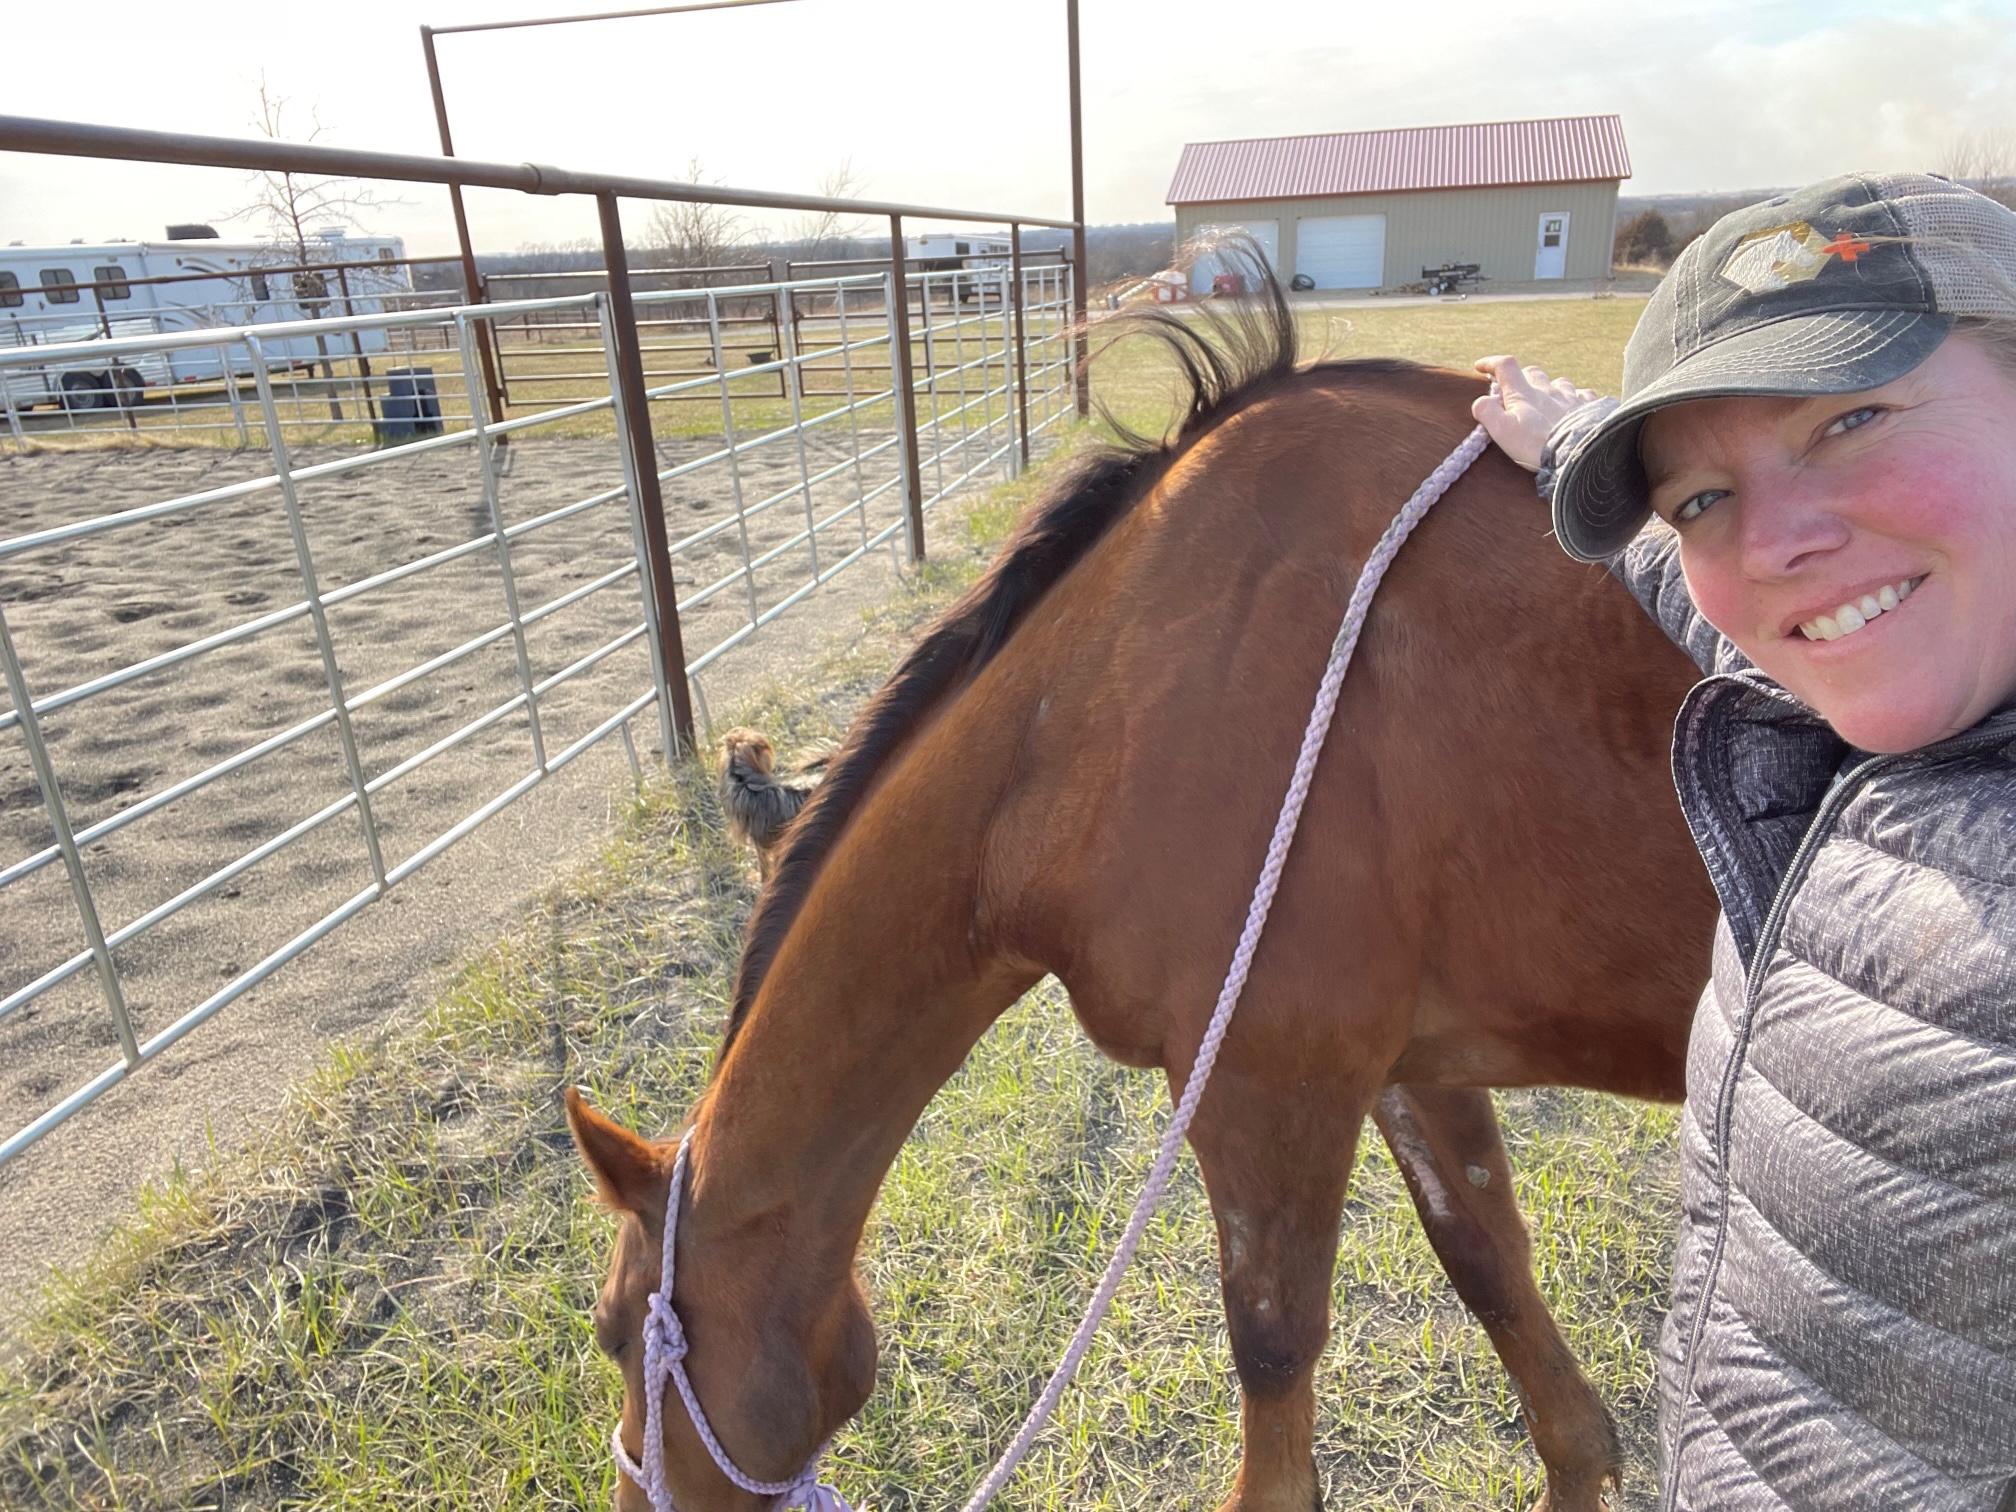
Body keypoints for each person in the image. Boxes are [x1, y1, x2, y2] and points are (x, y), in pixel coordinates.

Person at [1468, 171, 2016, 1511]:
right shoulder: (1866, 664)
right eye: (1703, 497)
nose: (1771, 548)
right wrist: (1574, 439)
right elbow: (1720, 595)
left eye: (1852, 419)